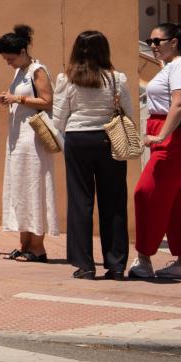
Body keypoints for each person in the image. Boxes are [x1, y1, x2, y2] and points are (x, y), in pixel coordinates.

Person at [52, 30, 133, 279]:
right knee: (114, 202)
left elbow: (58, 118)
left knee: (80, 202)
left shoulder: (66, 79)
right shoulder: (117, 78)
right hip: (109, 139)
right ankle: (116, 264)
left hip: (77, 138)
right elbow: (128, 112)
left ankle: (84, 264)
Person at [131, 21, 181, 280]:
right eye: (150, 41)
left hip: (176, 141)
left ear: (174, 42)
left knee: (145, 193)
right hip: (176, 139)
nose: (152, 46)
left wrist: (162, 134)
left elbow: (180, 103)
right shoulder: (171, 67)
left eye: (157, 41)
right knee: (179, 201)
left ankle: (143, 259)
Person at [0, 24, 58, 262]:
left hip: (33, 141)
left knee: (34, 187)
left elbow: (48, 100)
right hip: (18, 140)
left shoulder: (37, 70)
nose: (8, 63)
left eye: (10, 58)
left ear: (22, 52)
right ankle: (24, 243)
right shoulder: (20, 72)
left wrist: (17, 98)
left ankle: (38, 246)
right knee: (20, 188)